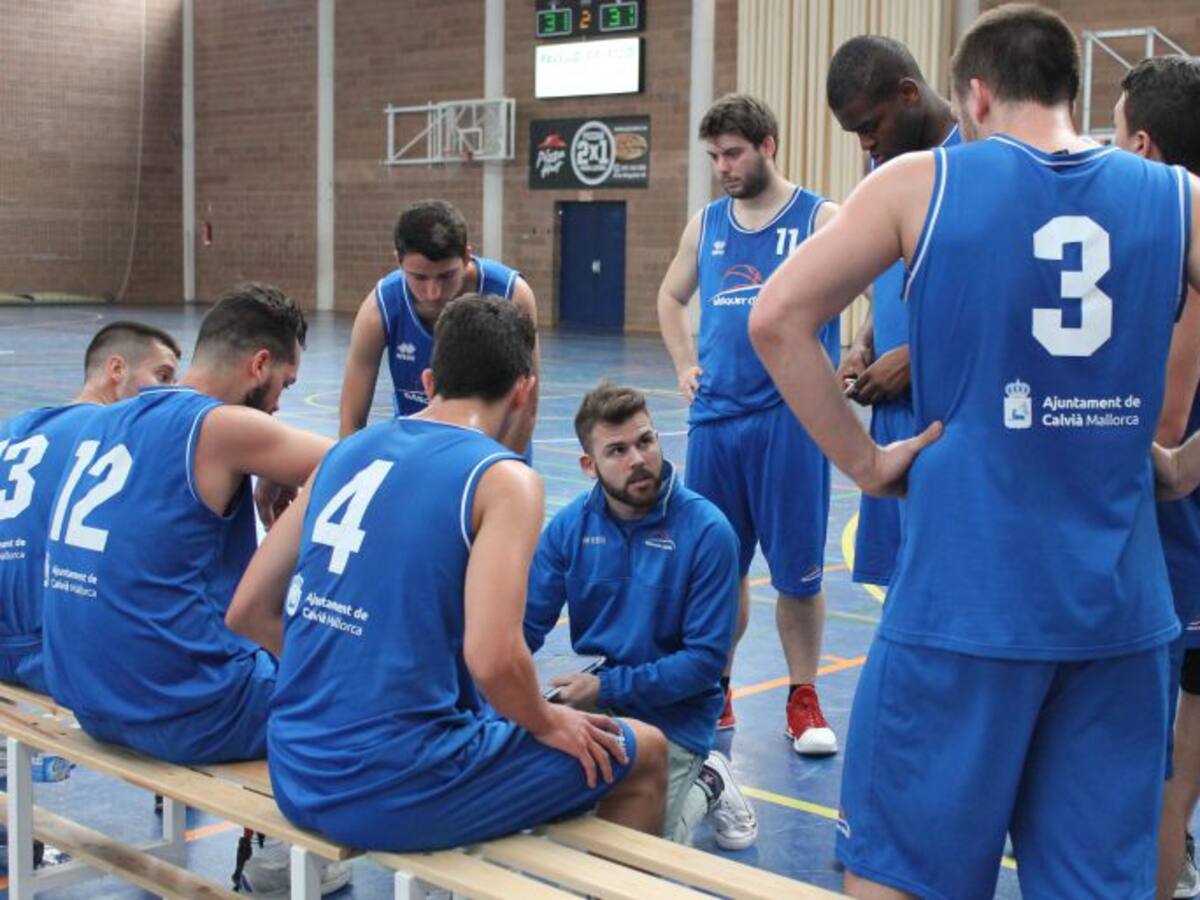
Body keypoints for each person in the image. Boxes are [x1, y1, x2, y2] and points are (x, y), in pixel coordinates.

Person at [751, 4, 1200, 897]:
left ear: (978, 96)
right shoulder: (1177, 195)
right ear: (1072, 88)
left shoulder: (921, 183)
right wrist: (1186, 465)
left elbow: (775, 319)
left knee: (904, 878)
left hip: (965, 604)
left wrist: (866, 463)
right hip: (1117, 616)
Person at [226, 295, 667, 853]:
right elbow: (494, 659)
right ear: (524, 391)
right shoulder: (503, 479)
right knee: (643, 751)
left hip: (295, 768)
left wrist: (345, 679)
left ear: (431, 381)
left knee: (475, 709)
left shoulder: (344, 453)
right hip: (394, 789)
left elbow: (247, 610)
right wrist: (548, 722)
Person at [42, 283, 333, 766]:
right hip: (189, 712)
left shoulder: (103, 421)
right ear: (260, 364)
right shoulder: (218, 426)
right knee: (361, 688)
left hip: (89, 699)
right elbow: (365, 468)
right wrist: (276, 477)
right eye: (285, 384)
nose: (279, 404)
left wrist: (268, 468)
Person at [656, 93, 840, 754]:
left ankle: (803, 697)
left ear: (768, 146)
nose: (723, 168)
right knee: (716, 569)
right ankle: (717, 686)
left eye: (733, 154)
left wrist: (862, 353)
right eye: (714, 157)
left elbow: (878, 285)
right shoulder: (706, 223)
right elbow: (670, 296)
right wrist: (684, 362)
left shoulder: (820, 218)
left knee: (798, 573)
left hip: (790, 423)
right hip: (716, 422)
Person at [524, 382, 757, 849]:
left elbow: (703, 664)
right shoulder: (569, 528)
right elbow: (525, 626)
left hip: (675, 719)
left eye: (645, 441)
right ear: (589, 466)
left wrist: (605, 687)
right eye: (617, 450)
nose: (638, 459)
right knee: (532, 812)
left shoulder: (707, 532)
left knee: (635, 855)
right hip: (598, 705)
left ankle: (708, 780)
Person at [1113, 54, 1200, 900]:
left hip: (1182, 554)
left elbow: (1165, 433)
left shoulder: (1184, 244)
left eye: (1113, 133)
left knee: (1163, 785)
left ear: (1142, 145)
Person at [827, 35, 961, 588]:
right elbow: (891, 277)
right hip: (891, 415)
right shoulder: (883, 164)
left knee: (945, 590)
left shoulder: (976, 160)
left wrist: (914, 357)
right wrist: (866, 341)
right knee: (898, 590)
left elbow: (1008, 304)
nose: (866, 143)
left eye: (869, 126)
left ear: (908, 93)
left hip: (950, 419)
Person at [0, 321, 180, 693]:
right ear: (117, 369)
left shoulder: (12, 430)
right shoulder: (111, 432)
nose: (170, 392)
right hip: (54, 653)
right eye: (162, 376)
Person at [338, 199, 539, 454]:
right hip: (418, 452)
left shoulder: (512, 294)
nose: (433, 293)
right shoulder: (379, 311)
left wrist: (495, 467)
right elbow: (351, 420)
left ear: (466, 256)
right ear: (399, 261)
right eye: (419, 277)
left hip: (496, 450)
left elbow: (527, 406)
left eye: (446, 276)